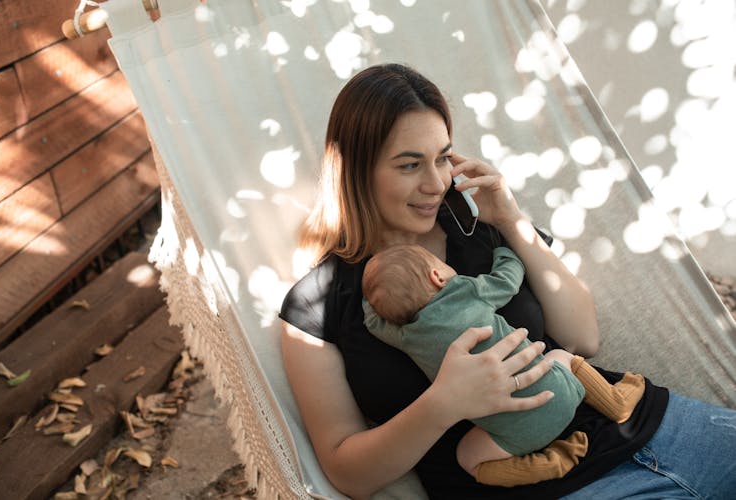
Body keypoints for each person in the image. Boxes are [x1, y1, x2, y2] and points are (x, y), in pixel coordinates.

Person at [279, 63, 736, 499]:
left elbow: (584, 338)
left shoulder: (483, 235)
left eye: (442, 158)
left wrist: (511, 219)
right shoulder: (318, 303)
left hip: (650, 425)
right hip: (540, 484)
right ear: (356, 171)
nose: (437, 183)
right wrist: (445, 402)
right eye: (409, 165)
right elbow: (348, 475)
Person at [361, 243, 645, 486]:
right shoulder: (464, 291)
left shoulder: (406, 335)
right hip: (560, 395)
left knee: (468, 458)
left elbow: (372, 322)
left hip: (515, 437)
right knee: (562, 357)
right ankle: (616, 402)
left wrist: (374, 296)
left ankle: (552, 464)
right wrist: (505, 253)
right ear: (437, 276)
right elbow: (508, 280)